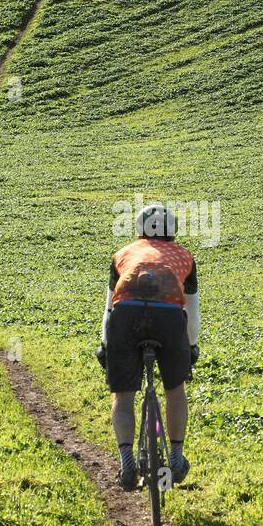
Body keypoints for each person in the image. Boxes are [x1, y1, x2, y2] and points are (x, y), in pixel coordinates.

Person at [96, 203, 199, 491]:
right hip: (168, 318)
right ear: (173, 231)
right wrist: (191, 347)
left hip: (125, 316)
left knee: (124, 393)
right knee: (175, 390)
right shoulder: (185, 257)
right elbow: (192, 312)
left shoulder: (122, 254)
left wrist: (106, 344)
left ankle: (127, 460)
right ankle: (176, 458)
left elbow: (109, 308)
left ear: (139, 230)